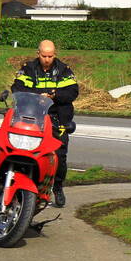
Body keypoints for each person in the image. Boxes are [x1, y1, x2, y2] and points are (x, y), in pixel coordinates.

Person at [9, 40, 79, 207]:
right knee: (24, 151)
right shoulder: (28, 68)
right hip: (32, 116)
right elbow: (17, 88)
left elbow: (72, 92)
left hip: (57, 119)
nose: (47, 59)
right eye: (44, 56)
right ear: (38, 54)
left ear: (55, 54)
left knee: (59, 157)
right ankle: (23, 185)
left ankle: (58, 187)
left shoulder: (64, 70)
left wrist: (54, 95)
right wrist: (39, 95)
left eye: (50, 56)